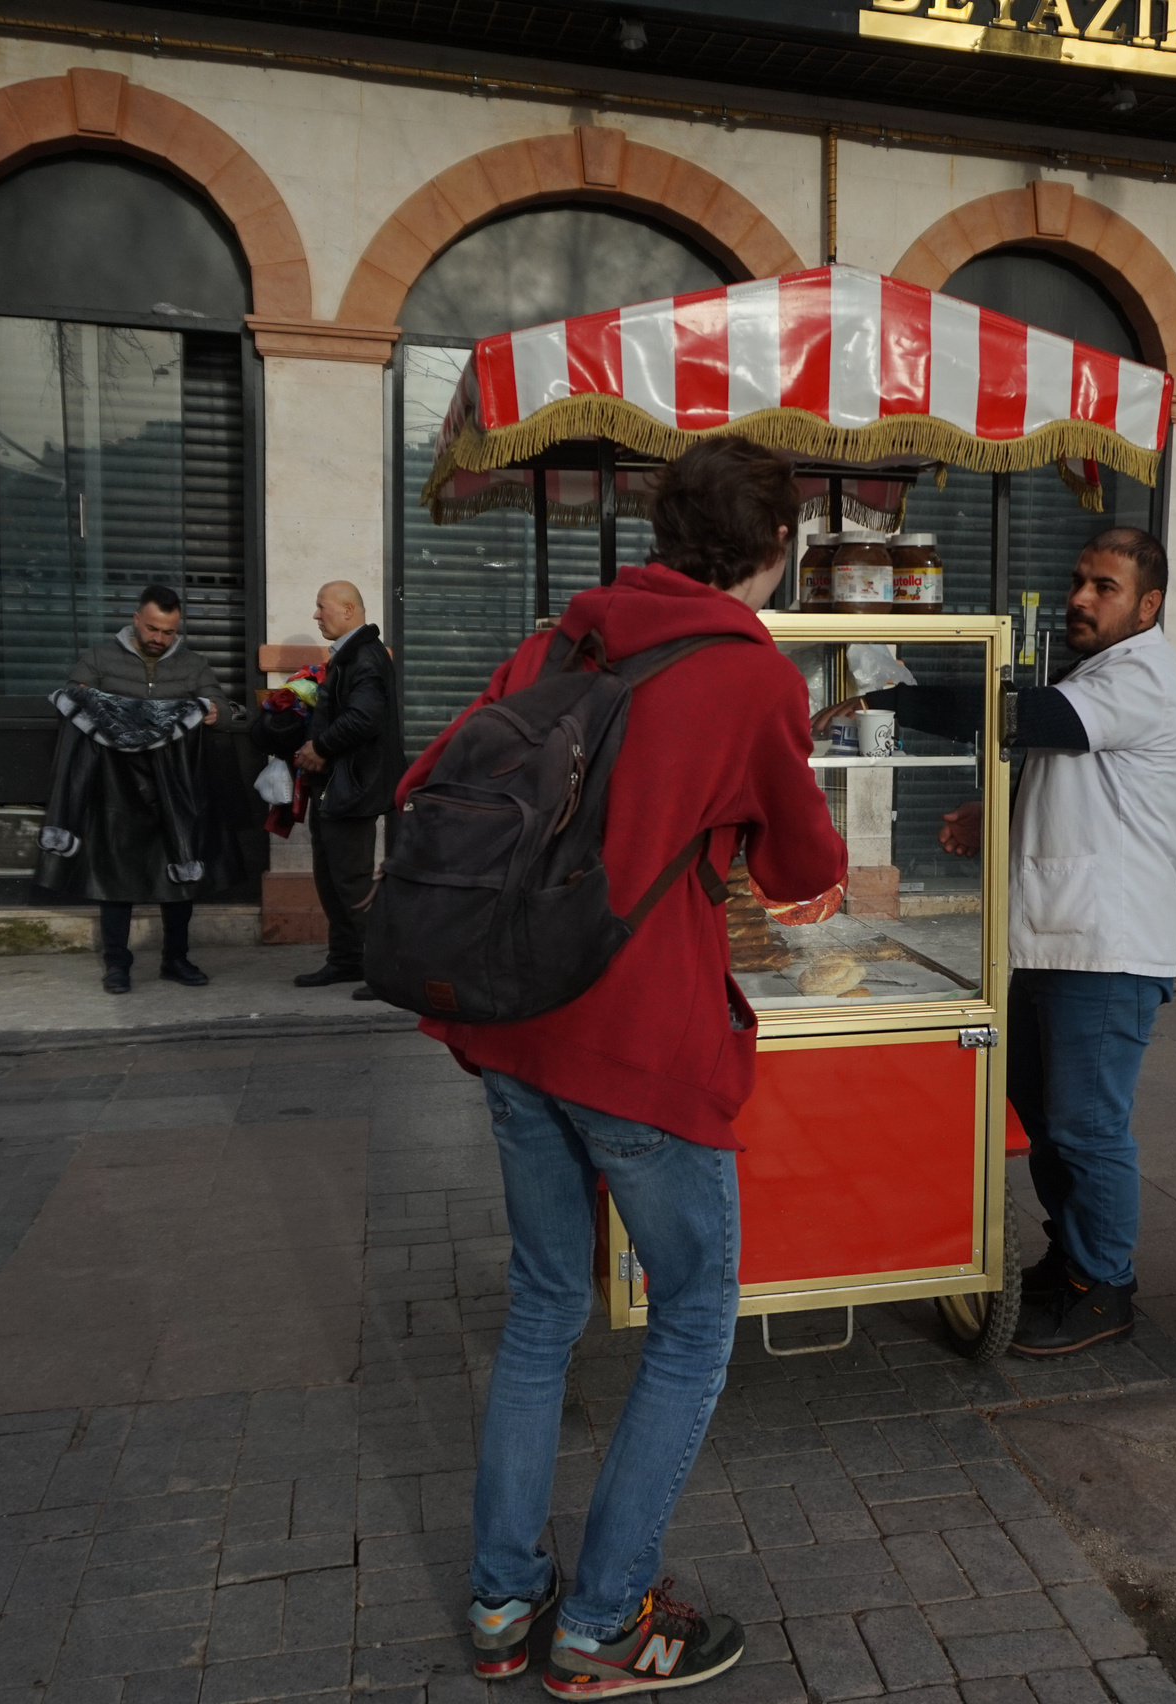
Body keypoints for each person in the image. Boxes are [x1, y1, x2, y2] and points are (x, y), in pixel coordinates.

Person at [402, 439, 844, 1696]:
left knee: (543, 1306)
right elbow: (802, 869)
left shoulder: (562, 639)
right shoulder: (748, 673)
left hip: (514, 1028)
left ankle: (503, 1603)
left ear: (661, 532)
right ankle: (603, 1623)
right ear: (777, 550)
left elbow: (436, 779)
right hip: (640, 1050)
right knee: (695, 1323)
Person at [932, 528, 1176, 1357]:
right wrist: (996, 814)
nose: (1081, 597)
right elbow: (1070, 773)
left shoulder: (1143, 674)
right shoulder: (1097, 673)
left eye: (1104, 587)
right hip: (1048, 942)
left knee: (1087, 1129)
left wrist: (886, 696)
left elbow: (1027, 718)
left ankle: (1106, 1286)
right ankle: (1072, 1259)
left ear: (1148, 606)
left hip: (1106, 952)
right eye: (1079, 580)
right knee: (1044, 1120)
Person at [36, 585, 229, 994]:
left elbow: (221, 706)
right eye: (154, 629)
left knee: (180, 879)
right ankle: (117, 965)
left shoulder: (193, 664)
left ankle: (175, 959)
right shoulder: (100, 657)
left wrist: (213, 712)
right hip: (114, 790)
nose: (160, 639)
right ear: (136, 619)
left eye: (169, 632)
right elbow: (74, 696)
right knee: (115, 879)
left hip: (173, 790)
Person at [288, 580, 403, 994]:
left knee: (351, 883)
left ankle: (385, 969)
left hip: (352, 788)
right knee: (331, 880)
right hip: (336, 787)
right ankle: (346, 961)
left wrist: (320, 745)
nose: (316, 615)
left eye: (322, 607)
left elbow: (364, 719)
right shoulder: (350, 656)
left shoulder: (364, 657)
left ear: (349, 610)